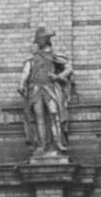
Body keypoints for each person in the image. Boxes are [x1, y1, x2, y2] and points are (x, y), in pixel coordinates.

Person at [19, 27, 73, 157]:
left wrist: (59, 77)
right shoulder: (33, 58)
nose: (39, 42)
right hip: (36, 90)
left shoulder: (53, 55)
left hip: (50, 88)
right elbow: (26, 72)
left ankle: (57, 142)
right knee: (39, 117)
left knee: (54, 114)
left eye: (40, 39)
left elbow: (68, 68)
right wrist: (21, 84)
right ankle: (42, 145)